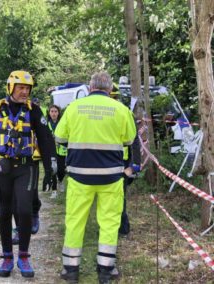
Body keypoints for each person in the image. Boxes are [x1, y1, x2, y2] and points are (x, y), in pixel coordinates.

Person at [56, 72, 136, 283]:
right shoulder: (121, 109)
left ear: (90, 88)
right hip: (111, 177)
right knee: (109, 222)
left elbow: (60, 137)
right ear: (110, 90)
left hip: (79, 175)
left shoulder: (74, 107)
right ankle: (106, 270)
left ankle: (71, 270)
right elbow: (129, 140)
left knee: (75, 221)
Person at [0, 70, 56, 278]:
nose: (24, 92)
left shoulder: (35, 110)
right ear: (11, 88)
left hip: (25, 167)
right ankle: (6, 256)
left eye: (27, 89)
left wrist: (49, 169)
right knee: (4, 213)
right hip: (2, 168)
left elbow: (46, 140)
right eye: (21, 88)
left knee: (23, 210)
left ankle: (23, 255)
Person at [110, 84, 141, 236]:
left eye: (114, 97)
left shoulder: (125, 113)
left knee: (119, 198)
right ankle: (109, 228)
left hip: (121, 165)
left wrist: (134, 166)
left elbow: (135, 140)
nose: (112, 100)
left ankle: (123, 229)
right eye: (111, 97)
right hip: (104, 163)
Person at [44, 104, 67, 199]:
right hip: (50, 150)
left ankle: (60, 181)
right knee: (53, 170)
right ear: (49, 113)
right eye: (52, 111)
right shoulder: (45, 123)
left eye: (55, 111)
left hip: (61, 150)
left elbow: (66, 135)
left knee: (61, 170)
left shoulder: (62, 123)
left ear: (58, 113)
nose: (53, 113)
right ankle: (54, 191)